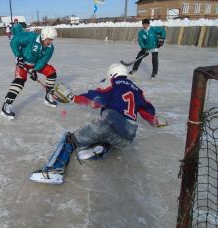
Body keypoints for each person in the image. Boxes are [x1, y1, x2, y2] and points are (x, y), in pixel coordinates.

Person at [30, 63, 167, 184]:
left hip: (110, 124)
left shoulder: (111, 82)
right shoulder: (137, 90)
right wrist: (155, 121)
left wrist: (72, 98)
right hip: (128, 137)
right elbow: (147, 109)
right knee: (110, 137)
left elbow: (96, 100)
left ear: (111, 74)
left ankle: (54, 171)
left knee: (70, 140)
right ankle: (100, 148)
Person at [1, 27, 58, 119]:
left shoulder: (50, 48)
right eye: (49, 39)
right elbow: (14, 41)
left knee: (51, 72)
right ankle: (7, 104)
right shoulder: (31, 37)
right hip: (23, 63)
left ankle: (49, 96)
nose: (51, 42)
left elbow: (43, 61)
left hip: (36, 64)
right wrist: (18, 56)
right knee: (20, 81)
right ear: (44, 36)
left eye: (52, 39)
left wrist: (35, 70)